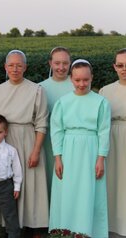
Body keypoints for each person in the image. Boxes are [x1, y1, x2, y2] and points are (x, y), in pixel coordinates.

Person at [49, 59, 111, 237]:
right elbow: (57, 131)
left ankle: (90, 232)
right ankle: (64, 231)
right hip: (68, 150)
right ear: (71, 79)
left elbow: (104, 132)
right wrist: (58, 157)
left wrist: (101, 158)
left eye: (85, 79)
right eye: (77, 80)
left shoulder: (101, 102)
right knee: (67, 192)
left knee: (89, 193)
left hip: (91, 150)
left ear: (92, 77)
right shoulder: (63, 102)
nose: (81, 84)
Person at [0, 50, 49, 236]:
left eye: (19, 65)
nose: (15, 69)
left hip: (28, 139)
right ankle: (9, 225)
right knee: (7, 182)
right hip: (5, 139)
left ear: (25, 67)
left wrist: (36, 150)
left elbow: (41, 122)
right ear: (5, 67)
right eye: (11, 65)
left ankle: (32, 225)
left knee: (30, 183)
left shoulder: (36, 90)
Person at [99, 48, 126, 238]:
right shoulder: (105, 91)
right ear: (114, 67)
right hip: (110, 142)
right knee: (112, 185)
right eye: (121, 65)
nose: (125, 69)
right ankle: (111, 226)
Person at [39, 47, 74, 197]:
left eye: (65, 63)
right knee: (49, 176)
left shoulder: (77, 85)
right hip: (48, 141)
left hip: (72, 141)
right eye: (57, 63)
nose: (61, 67)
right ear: (50, 64)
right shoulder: (41, 87)